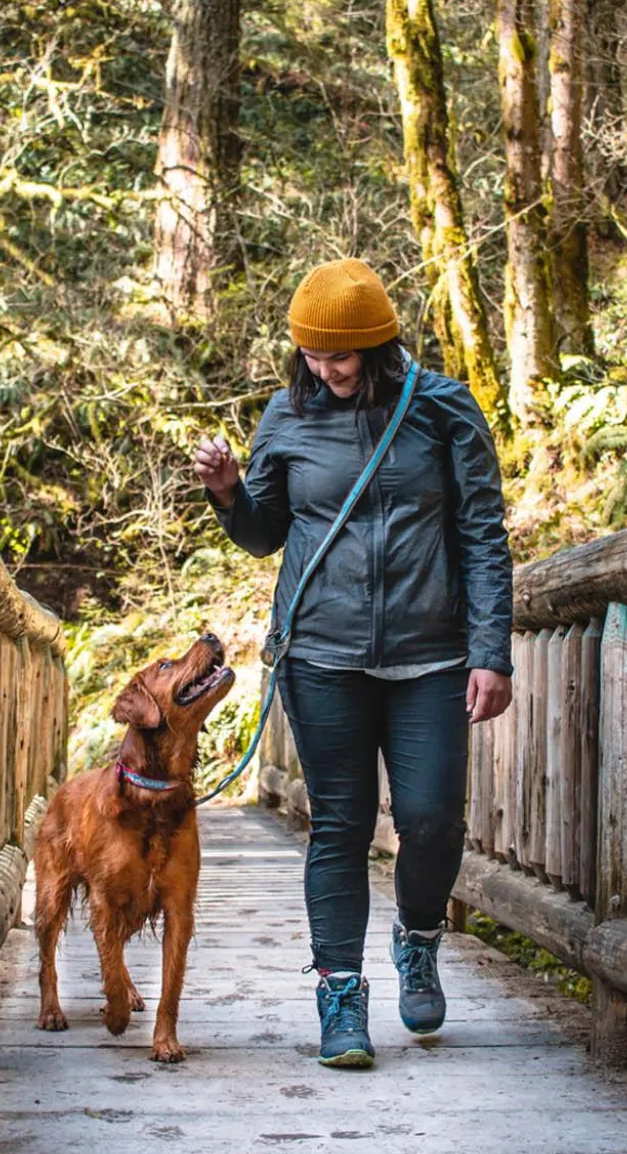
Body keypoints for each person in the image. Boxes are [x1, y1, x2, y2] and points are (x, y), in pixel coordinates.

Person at [192, 257, 513, 1069]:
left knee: (432, 818)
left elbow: (482, 532)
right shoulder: (285, 417)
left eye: (341, 356)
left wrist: (490, 651)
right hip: (323, 655)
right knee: (338, 824)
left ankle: (419, 934)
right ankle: (340, 997)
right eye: (312, 355)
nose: (326, 370)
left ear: (378, 345)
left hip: (430, 656)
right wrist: (232, 492)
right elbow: (265, 534)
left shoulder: (441, 409)